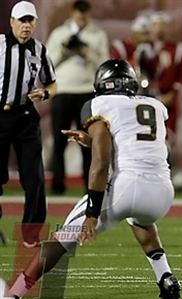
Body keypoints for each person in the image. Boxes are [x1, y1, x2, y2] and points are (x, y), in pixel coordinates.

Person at [5, 60, 180, 299]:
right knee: (140, 219)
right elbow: (134, 141)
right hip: (162, 193)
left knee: (61, 238)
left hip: (127, 187)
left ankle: (13, 295)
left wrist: (92, 213)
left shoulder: (99, 104)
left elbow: (100, 162)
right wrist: (92, 140)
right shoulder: (155, 105)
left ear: (101, 84)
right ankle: (165, 276)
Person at [0, 1, 57, 247]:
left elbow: (52, 83)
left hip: (25, 117)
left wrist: (45, 93)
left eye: (30, 21)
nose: (26, 26)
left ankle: (31, 232)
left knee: (34, 178)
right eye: (21, 21)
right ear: (11, 22)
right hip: (0, 115)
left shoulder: (40, 50)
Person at [46, 0, 109, 194]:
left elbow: (104, 65)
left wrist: (86, 51)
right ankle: (57, 184)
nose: (82, 19)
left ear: (89, 15)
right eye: (79, 15)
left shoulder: (97, 35)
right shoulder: (59, 33)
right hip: (63, 91)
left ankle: (89, 186)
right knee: (59, 141)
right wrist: (65, 50)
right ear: (73, 14)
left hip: (86, 92)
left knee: (88, 143)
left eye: (85, 16)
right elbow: (47, 64)